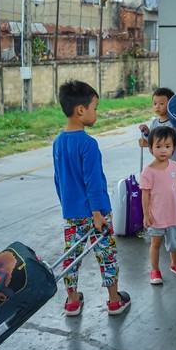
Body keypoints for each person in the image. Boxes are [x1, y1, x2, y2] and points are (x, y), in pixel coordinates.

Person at [53, 79, 130, 317]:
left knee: (71, 257)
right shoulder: (88, 143)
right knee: (106, 255)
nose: (96, 113)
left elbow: (59, 180)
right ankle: (114, 300)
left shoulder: (58, 142)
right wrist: (98, 214)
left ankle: (73, 301)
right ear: (80, 110)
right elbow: (94, 182)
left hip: (72, 213)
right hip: (96, 214)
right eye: (94, 108)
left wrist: (67, 207)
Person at [140, 126, 176, 284]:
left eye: (167, 146)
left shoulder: (175, 166)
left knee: (175, 243)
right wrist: (146, 215)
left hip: (174, 214)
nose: (163, 150)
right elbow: (145, 194)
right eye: (158, 146)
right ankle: (154, 270)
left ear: (173, 147)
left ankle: (174, 265)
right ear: (151, 147)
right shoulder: (148, 172)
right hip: (156, 216)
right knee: (155, 243)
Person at [138, 87, 176, 164]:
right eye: (155, 104)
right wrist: (147, 133)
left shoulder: (173, 123)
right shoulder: (155, 122)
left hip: (171, 163)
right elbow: (151, 139)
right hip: (160, 162)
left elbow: (164, 145)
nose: (157, 106)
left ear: (170, 104)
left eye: (161, 103)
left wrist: (147, 144)